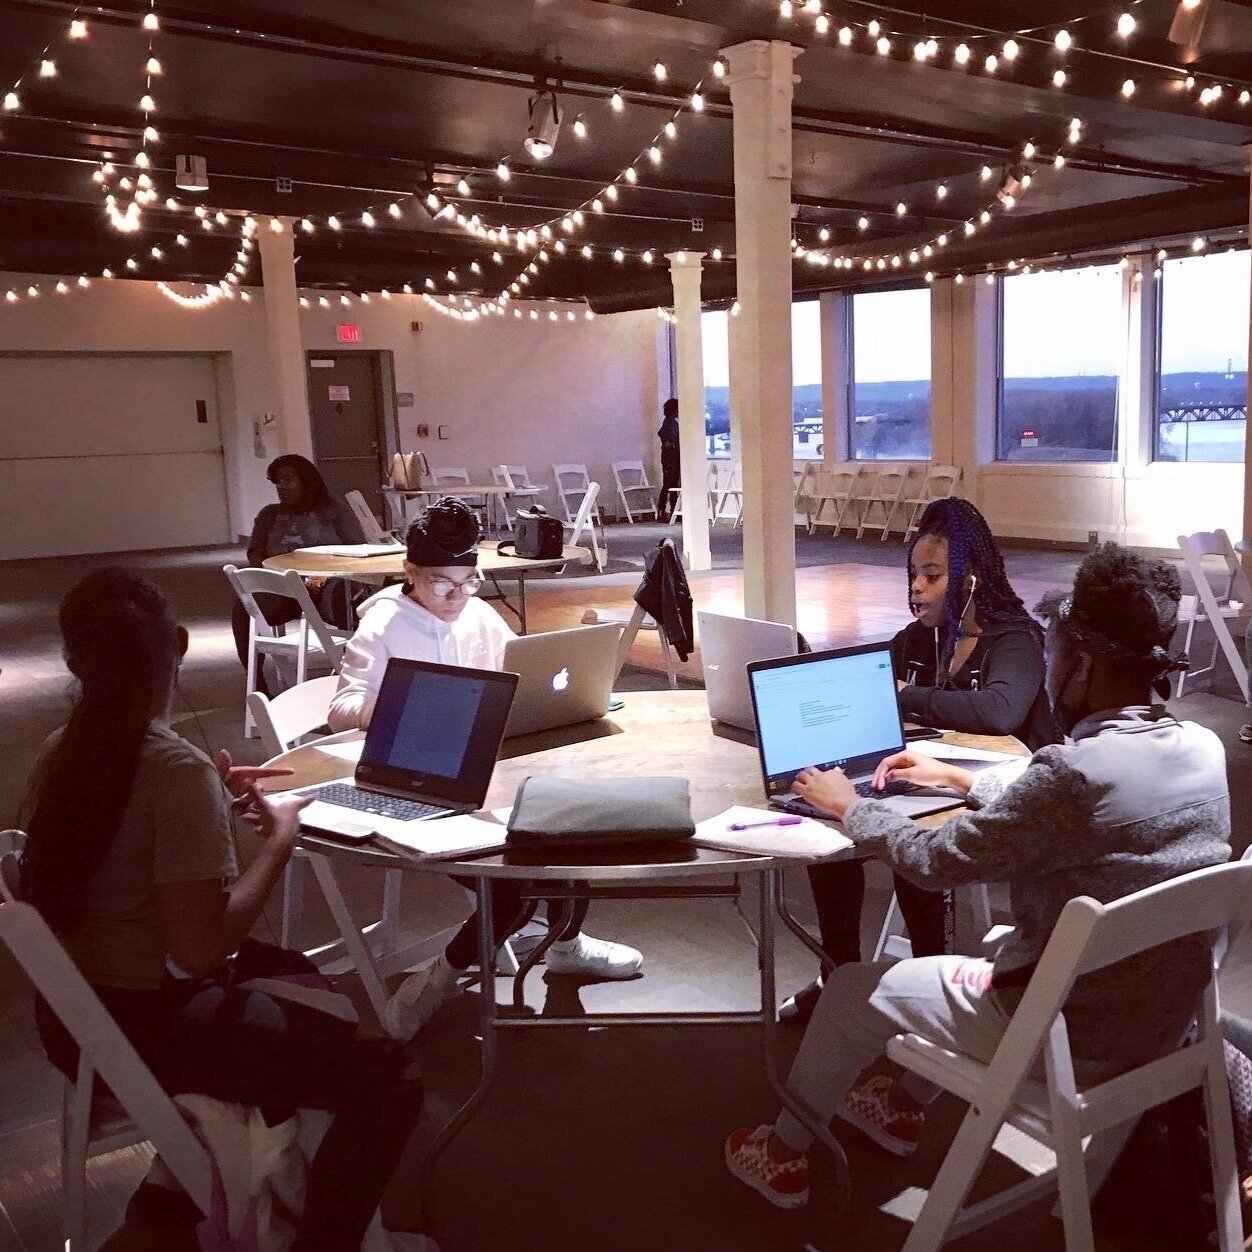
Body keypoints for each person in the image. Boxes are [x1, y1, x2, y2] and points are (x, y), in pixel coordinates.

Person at [725, 543, 1228, 1209]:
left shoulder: (1072, 777)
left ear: (1082, 663)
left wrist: (851, 808)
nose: (1048, 672)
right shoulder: (1203, 748)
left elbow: (936, 862)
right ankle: (899, 1106)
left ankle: (782, 1153)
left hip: (1063, 1031)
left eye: (1054, 655)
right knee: (987, 950)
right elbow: (1062, 805)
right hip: (1160, 1024)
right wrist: (961, 779)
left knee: (849, 992)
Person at [19, 568, 422, 1252]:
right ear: (177, 643)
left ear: (74, 661)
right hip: (143, 1026)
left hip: (73, 1021)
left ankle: (188, 1186)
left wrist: (205, 812)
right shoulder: (175, 772)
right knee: (389, 1079)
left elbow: (124, 856)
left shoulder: (65, 751)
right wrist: (280, 844)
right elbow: (199, 949)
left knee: (291, 975)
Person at [327, 496, 643, 1039]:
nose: (457, 597)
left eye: (468, 582)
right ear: (410, 572)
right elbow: (341, 709)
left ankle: (566, 943)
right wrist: (414, 701)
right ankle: (441, 976)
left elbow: (519, 669)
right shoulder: (383, 624)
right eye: (441, 584)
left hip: (485, 768)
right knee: (514, 873)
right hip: (418, 780)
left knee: (573, 821)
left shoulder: (476, 611)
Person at [783, 497, 1058, 1026]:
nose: (916, 588)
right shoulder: (918, 639)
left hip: (997, 795)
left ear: (971, 579)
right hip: (929, 783)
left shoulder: (1014, 639)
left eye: (932, 576)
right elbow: (869, 687)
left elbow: (998, 711)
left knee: (915, 835)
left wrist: (906, 695)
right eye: (913, 575)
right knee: (833, 822)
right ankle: (837, 973)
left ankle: (931, 977)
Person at [231, 453, 365, 693]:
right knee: (243, 608)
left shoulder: (334, 511)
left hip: (325, 583)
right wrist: (269, 574)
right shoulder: (269, 515)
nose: (281, 487)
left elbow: (357, 547)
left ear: (306, 481)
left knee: (351, 602)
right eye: (277, 481)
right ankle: (257, 684)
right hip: (282, 588)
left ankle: (355, 672)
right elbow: (255, 551)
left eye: (288, 480)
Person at [656, 397, 681, 518]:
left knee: (670, 483)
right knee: (670, 483)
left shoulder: (668, 422)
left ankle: (670, 509)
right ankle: (666, 509)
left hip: (669, 457)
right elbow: (669, 438)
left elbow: (660, 433)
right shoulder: (671, 423)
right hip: (671, 457)